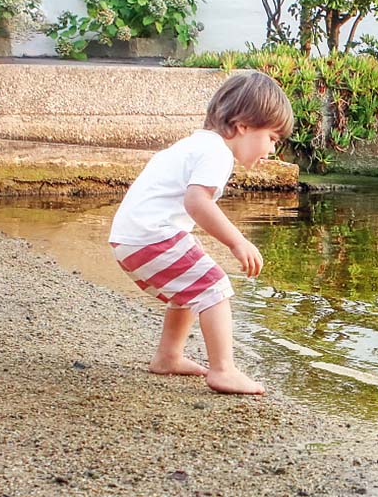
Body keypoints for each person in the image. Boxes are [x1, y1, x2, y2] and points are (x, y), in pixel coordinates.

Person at [109, 71, 294, 395]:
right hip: (152, 235)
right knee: (214, 287)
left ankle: (168, 357)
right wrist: (237, 241)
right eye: (273, 138)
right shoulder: (217, 153)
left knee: (191, 291)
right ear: (243, 126)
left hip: (130, 238)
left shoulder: (197, 143)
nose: (272, 150)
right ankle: (223, 370)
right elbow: (196, 201)